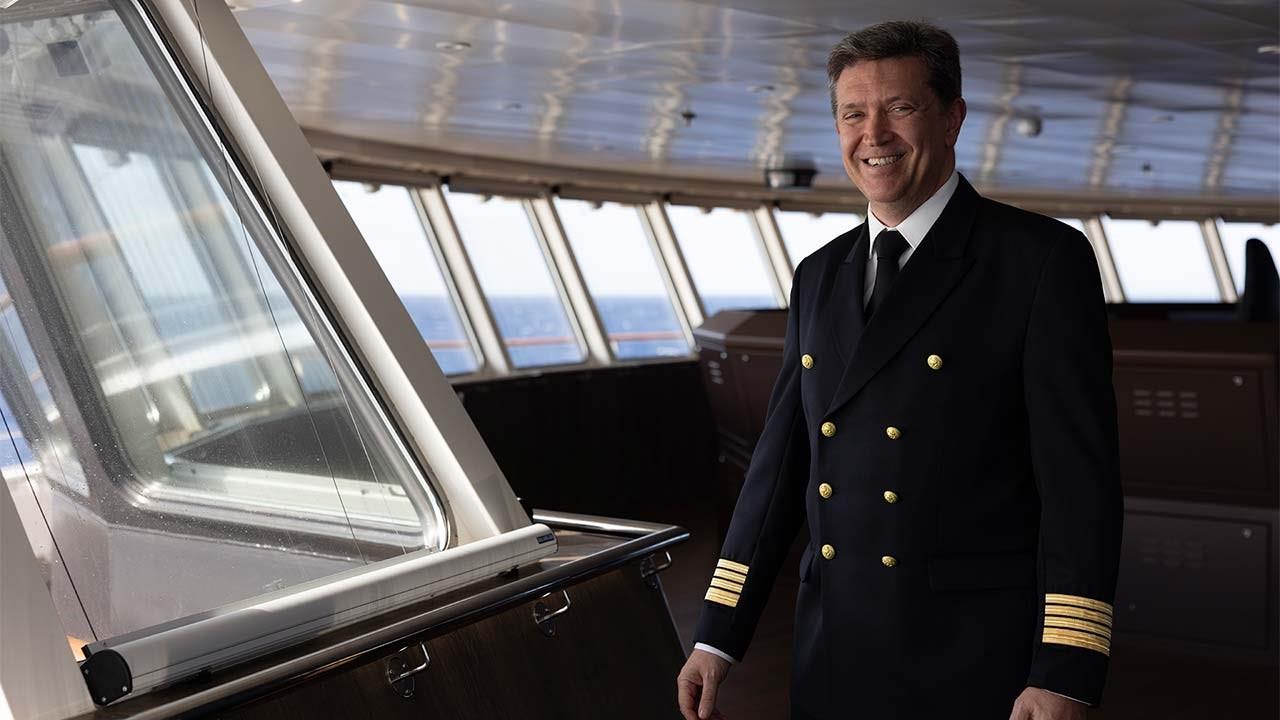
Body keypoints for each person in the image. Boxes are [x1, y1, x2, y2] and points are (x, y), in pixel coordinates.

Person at [676, 20, 1122, 720]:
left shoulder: (1038, 261)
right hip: (834, 651)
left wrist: (1065, 672)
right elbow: (780, 466)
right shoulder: (819, 274)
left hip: (975, 658)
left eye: (900, 108)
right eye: (853, 114)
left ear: (952, 117)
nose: (874, 135)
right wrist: (718, 633)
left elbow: (1080, 490)